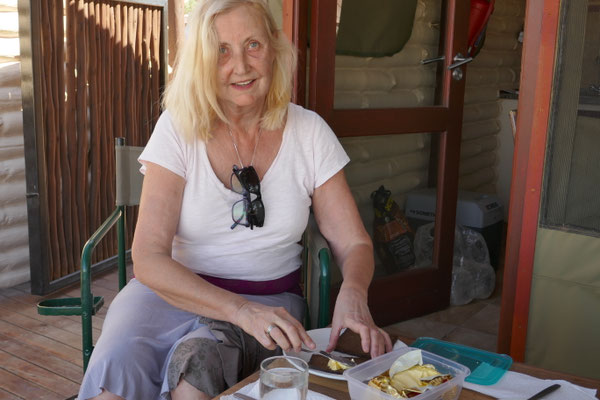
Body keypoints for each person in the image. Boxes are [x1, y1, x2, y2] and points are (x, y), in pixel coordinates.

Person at [78, 0, 392, 399]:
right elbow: (149, 257)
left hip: (269, 304)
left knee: (195, 379)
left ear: (275, 49)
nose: (240, 66)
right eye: (222, 50)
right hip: (169, 294)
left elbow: (353, 242)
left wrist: (353, 291)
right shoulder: (178, 127)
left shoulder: (309, 132)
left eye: (253, 45)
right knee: (114, 380)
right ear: (203, 61)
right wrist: (238, 309)